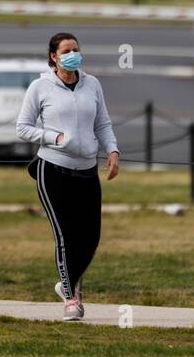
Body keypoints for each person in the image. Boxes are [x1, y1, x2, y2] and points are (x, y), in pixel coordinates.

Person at [17, 32, 119, 321]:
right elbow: (23, 127)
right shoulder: (40, 87)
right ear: (54, 57)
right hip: (53, 170)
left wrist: (113, 151)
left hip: (87, 170)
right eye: (67, 50)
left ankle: (65, 283)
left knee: (91, 236)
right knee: (65, 235)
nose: (73, 54)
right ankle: (71, 299)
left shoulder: (92, 85)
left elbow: (103, 123)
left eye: (76, 49)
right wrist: (54, 137)